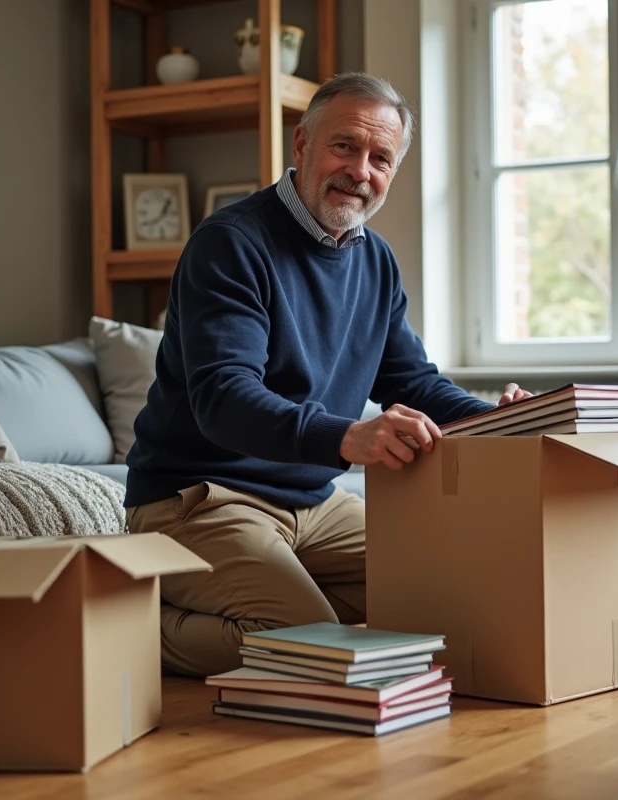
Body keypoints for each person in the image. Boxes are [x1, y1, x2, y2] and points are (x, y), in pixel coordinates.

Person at [123, 72, 531, 678]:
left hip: (314, 504)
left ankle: (296, 615)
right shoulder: (231, 243)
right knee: (314, 646)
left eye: (380, 158)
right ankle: (115, 624)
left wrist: (502, 419)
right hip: (200, 497)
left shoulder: (376, 260)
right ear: (302, 145)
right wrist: (347, 436)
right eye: (345, 146)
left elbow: (413, 383)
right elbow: (224, 399)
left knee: (445, 589)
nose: (360, 171)